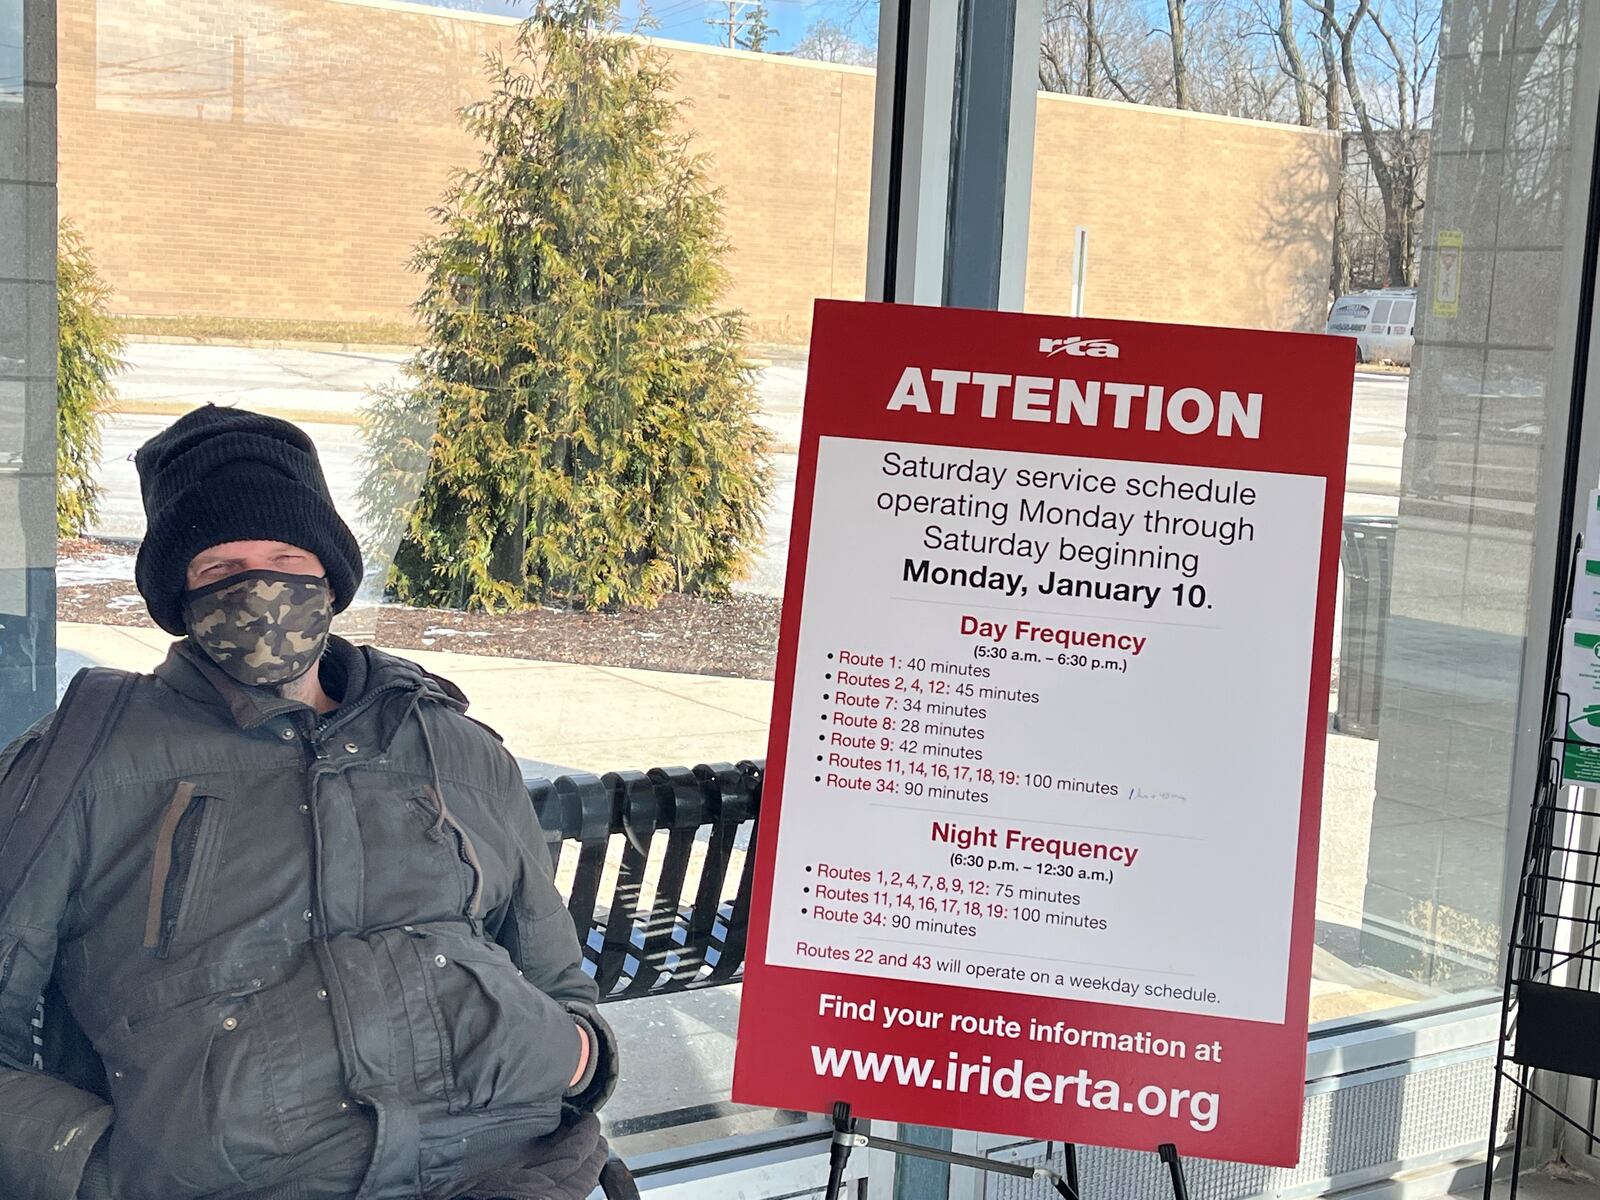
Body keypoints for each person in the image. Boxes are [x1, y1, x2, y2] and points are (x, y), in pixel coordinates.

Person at [0, 406, 618, 1200]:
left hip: (508, 1168)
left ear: (328, 574)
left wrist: (570, 1053)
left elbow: (556, 979)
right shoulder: (83, 762)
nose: (260, 591)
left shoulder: (454, 748)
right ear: (177, 596)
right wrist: (102, 1170)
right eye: (220, 569)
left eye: (285, 557)